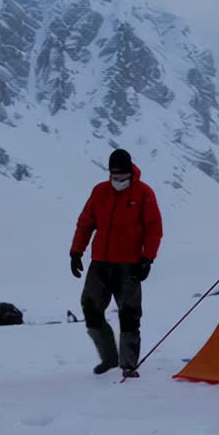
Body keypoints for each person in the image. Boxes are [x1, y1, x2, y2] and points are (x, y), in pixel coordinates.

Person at [70, 149, 163, 378]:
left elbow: (154, 229)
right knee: (90, 307)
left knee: (129, 315)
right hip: (100, 264)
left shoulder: (144, 193)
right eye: (114, 174)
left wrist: (147, 258)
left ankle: (128, 365)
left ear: (130, 171)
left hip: (129, 266)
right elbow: (85, 223)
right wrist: (76, 252)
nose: (117, 179)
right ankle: (109, 357)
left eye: (122, 175)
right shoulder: (100, 191)